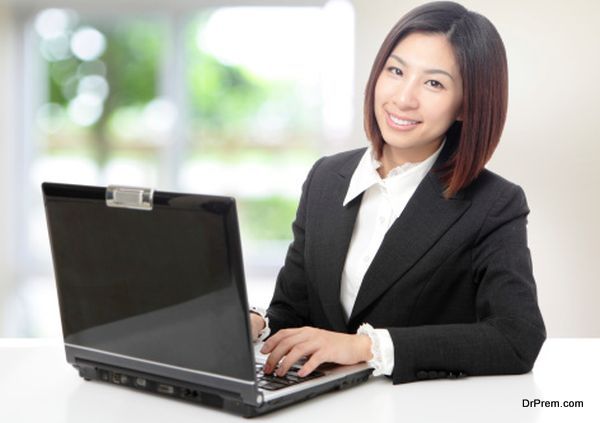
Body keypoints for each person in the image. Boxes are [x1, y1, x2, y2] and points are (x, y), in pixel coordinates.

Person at [249, 0, 546, 384]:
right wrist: (254, 323)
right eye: (396, 70)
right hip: (319, 406)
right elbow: (292, 313)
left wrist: (365, 347)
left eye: (434, 83)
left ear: (465, 105)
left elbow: (516, 338)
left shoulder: (494, 203)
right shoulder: (326, 177)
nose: (404, 98)